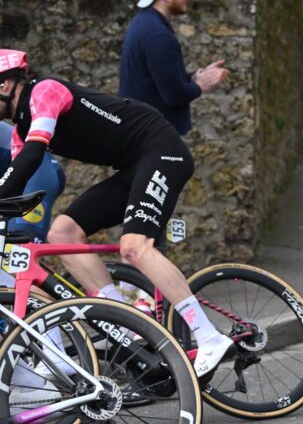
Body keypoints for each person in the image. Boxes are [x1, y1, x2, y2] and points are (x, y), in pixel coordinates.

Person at [0, 48, 234, 377]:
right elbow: (16, 178)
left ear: (5, 85)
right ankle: (125, 324)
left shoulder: (45, 91)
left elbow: (33, 155)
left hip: (160, 150)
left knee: (134, 247)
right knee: (63, 234)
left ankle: (209, 336)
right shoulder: (19, 131)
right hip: (133, 166)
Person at [119, 0, 229, 136]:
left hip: (142, 130)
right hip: (152, 136)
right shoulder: (157, 34)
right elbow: (174, 96)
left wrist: (193, 78)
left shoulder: (145, 22)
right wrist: (201, 85)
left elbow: (160, 81)